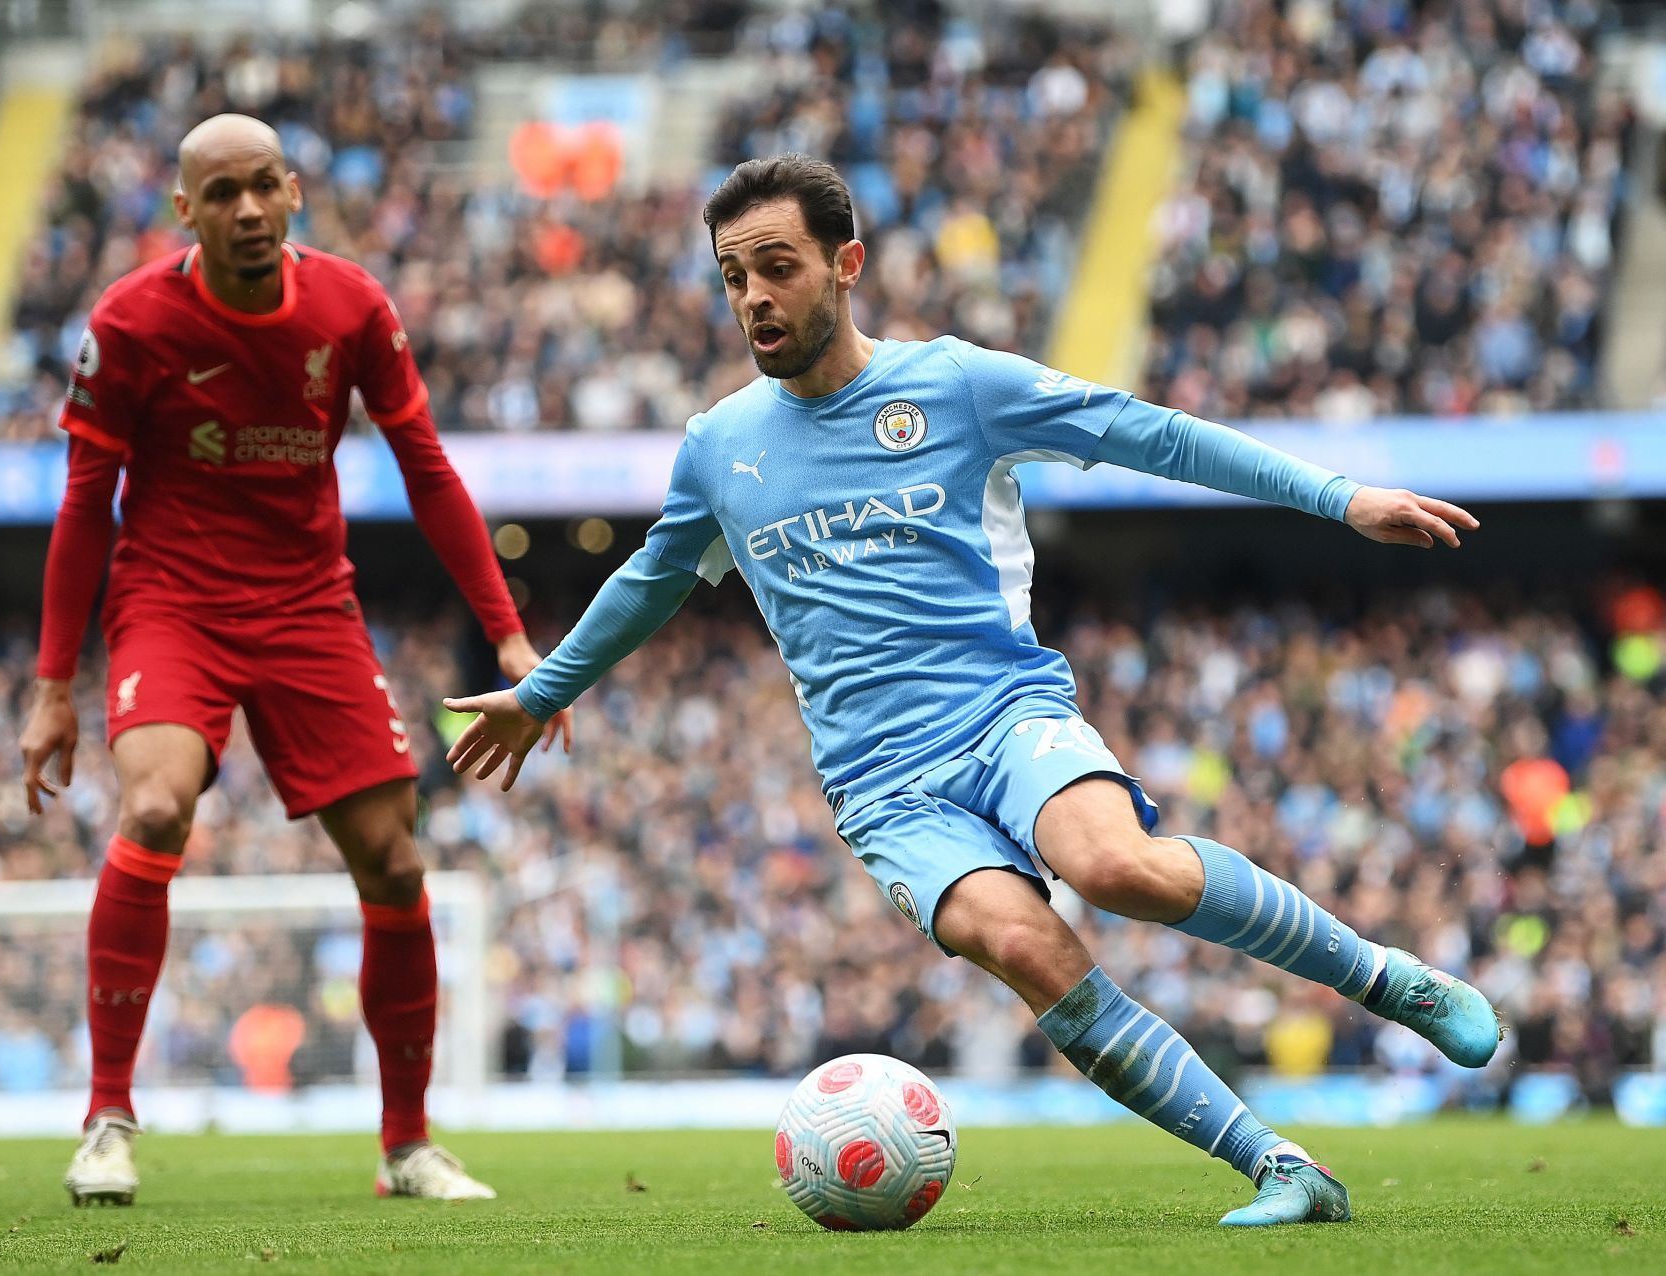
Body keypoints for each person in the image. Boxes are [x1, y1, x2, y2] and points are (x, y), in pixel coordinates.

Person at [442, 153, 1503, 1228]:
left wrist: (1338, 497)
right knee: (1030, 946)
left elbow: (1152, 432)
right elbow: (652, 578)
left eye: (778, 266)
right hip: (880, 785)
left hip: (1003, 713)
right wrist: (541, 691)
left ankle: (1386, 980)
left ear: (846, 264)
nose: (754, 296)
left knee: (1112, 865)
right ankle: (1283, 1168)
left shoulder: (954, 385)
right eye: (732, 276)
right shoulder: (720, 447)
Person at [19, 113, 569, 1207]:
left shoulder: (350, 305)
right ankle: (108, 1121)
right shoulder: (131, 322)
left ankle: (407, 1145)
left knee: (397, 861)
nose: (249, 210)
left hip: (310, 605)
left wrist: (508, 631)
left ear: (297, 190)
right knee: (156, 810)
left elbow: (426, 468)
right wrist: (50, 685)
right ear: (185, 210)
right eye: (221, 194)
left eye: (264, 186)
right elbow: (86, 503)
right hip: (173, 600)